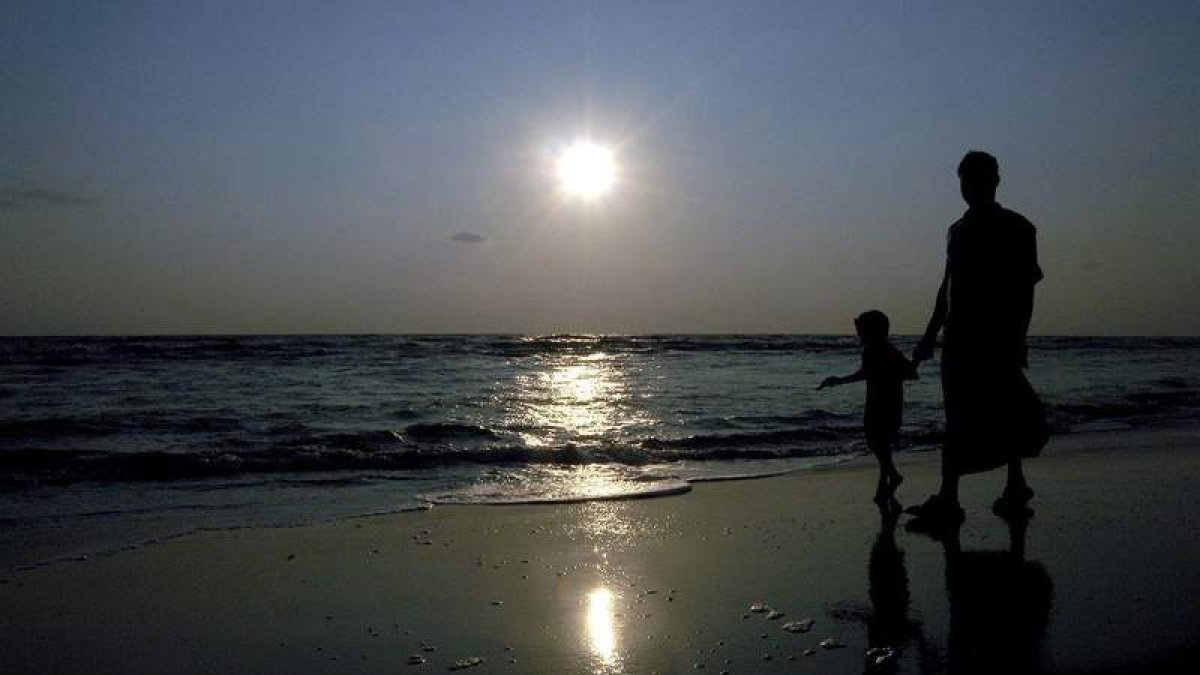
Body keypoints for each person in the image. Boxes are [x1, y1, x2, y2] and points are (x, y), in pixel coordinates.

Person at [908, 150, 1048, 529]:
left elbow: (1024, 289)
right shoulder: (956, 229)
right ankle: (956, 494)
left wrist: (1018, 336)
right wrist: (929, 337)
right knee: (958, 415)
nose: (971, 187)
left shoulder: (1018, 227)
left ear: (995, 181)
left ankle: (1001, 487)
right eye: (965, 180)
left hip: (997, 336)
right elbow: (947, 286)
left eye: (979, 179)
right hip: (959, 338)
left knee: (1007, 411)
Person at [819, 310, 918, 504]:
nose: (859, 336)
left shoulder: (873, 351)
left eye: (861, 331)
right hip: (893, 403)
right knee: (883, 444)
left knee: (876, 442)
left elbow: (865, 373)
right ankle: (883, 484)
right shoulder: (890, 350)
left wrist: (839, 380)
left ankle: (893, 476)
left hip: (878, 404)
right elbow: (911, 373)